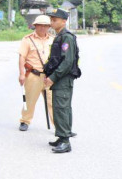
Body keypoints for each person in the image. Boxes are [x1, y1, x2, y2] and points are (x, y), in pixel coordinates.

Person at [43, 8, 81, 153]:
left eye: (55, 20)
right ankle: (61, 136)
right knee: (60, 108)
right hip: (60, 79)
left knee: (61, 109)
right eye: (51, 19)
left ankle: (65, 141)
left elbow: (67, 62)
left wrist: (53, 78)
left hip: (63, 80)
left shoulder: (67, 37)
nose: (52, 22)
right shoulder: (60, 36)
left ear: (64, 21)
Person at [17, 15, 54, 131]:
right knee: (29, 99)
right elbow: (22, 57)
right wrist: (22, 74)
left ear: (49, 27)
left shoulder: (53, 39)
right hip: (33, 74)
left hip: (49, 76)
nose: (42, 28)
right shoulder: (27, 39)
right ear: (35, 26)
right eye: (40, 25)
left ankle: (59, 126)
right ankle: (25, 121)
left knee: (53, 101)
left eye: (45, 26)